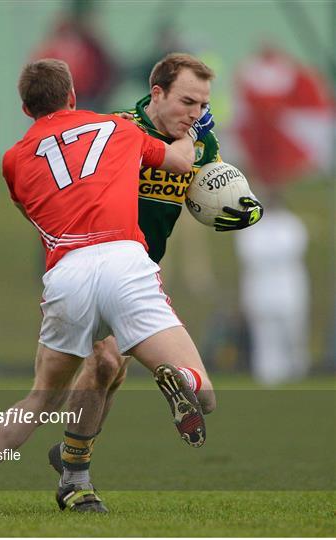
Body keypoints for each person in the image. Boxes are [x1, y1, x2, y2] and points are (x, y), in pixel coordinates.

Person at [0, 58, 217, 515]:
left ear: (26, 109)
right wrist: (194, 131)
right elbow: (183, 162)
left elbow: (37, 215)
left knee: (43, 396)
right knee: (203, 395)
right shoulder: (116, 128)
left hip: (68, 272)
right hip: (127, 261)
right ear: (72, 96)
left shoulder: (13, 159)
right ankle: (178, 379)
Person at [46, 53, 264, 510]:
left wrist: (234, 208)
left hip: (142, 271)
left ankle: (72, 449)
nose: (197, 114)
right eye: (188, 101)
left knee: (126, 373)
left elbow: (206, 192)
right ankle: (74, 479)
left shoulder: (202, 143)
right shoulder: (115, 130)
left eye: (204, 105)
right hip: (92, 264)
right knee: (103, 362)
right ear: (157, 93)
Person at [235, 193, 310, 384]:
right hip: (261, 288)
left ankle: (297, 372)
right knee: (264, 336)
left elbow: (292, 250)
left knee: (293, 334)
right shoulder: (250, 227)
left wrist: (270, 255)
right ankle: (268, 376)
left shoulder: (291, 224)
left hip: (288, 288)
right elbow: (251, 254)